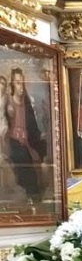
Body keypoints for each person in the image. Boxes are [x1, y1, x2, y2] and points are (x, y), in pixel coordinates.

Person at [5, 68, 46, 200]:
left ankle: (35, 195)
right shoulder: (8, 102)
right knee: (23, 158)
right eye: (18, 83)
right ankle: (31, 193)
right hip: (12, 141)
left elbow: (32, 125)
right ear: (12, 84)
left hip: (27, 141)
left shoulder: (27, 103)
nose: (21, 87)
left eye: (22, 83)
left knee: (41, 148)